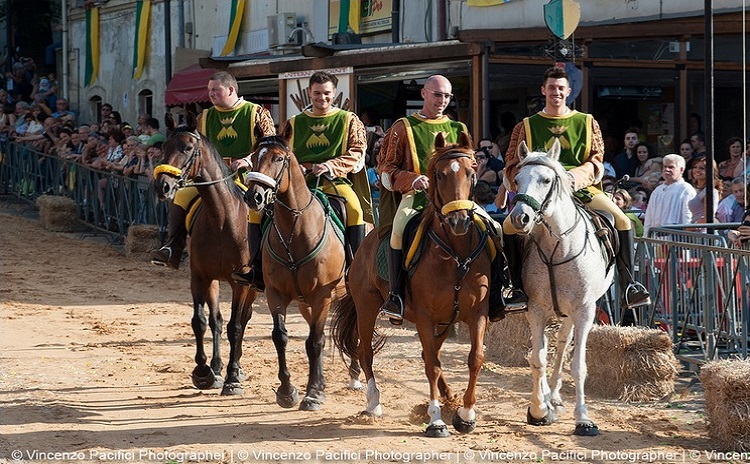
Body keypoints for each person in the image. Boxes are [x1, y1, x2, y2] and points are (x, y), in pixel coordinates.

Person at [377, 74, 524, 323]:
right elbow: (385, 168)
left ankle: (499, 293)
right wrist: (412, 179)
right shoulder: (403, 127)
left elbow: (472, 162)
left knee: (496, 228)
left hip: (458, 200)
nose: (442, 100)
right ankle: (396, 297)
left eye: (447, 96)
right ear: (424, 94)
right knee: (399, 232)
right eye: (437, 95)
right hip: (417, 196)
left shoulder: (459, 128)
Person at [501, 66, 651, 309]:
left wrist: (573, 178)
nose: (556, 92)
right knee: (508, 226)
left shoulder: (587, 122)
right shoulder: (526, 126)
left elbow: (596, 160)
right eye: (551, 88)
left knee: (622, 221)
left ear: (569, 91)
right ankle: (517, 289)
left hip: (581, 189)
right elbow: (512, 163)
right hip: (539, 195)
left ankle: (629, 286)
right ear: (543, 90)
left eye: (561, 88)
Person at [236, 70, 370, 285]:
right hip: (298, 184)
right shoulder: (294, 122)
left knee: (355, 210)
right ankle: (257, 268)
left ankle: (355, 271)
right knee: (255, 214)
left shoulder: (348, 120)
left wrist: (330, 165)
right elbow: (278, 152)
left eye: (326, 93)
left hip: (334, 182)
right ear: (310, 92)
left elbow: (357, 151)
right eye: (317, 93)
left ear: (334, 92)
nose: (322, 97)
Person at [150, 71, 276, 272]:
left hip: (247, 178)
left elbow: (270, 147)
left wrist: (246, 160)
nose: (211, 94)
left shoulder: (257, 113)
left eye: (215, 90)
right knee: (181, 196)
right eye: (209, 90)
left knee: (263, 209)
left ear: (231, 89)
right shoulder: (204, 117)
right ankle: (172, 247)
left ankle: (264, 261)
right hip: (211, 178)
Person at [643, 154, 697, 236]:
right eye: (665, 167)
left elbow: (688, 217)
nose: (666, 169)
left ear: (681, 170)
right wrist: (646, 236)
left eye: (671, 167)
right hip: (655, 240)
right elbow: (649, 216)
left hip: (676, 240)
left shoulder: (686, 190)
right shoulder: (657, 190)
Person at [687, 154, 721, 228]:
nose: (696, 170)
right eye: (695, 167)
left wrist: (692, 226)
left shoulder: (710, 191)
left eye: (702, 168)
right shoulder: (696, 190)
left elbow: (708, 217)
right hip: (695, 233)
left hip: (704, 233)